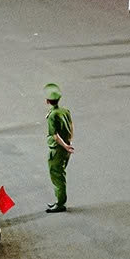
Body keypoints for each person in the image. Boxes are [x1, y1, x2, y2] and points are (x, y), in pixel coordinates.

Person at [44, 83, 74, 213]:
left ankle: (60, 203)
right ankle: (59, 201)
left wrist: (65, 145)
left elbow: (55, 135)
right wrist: (69, 142)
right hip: (66, 148)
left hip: (57, 149)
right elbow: (71, 126)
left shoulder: (52, 115)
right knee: (60, 174)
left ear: (47, 101)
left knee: (57, 176)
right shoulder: (65, 111)